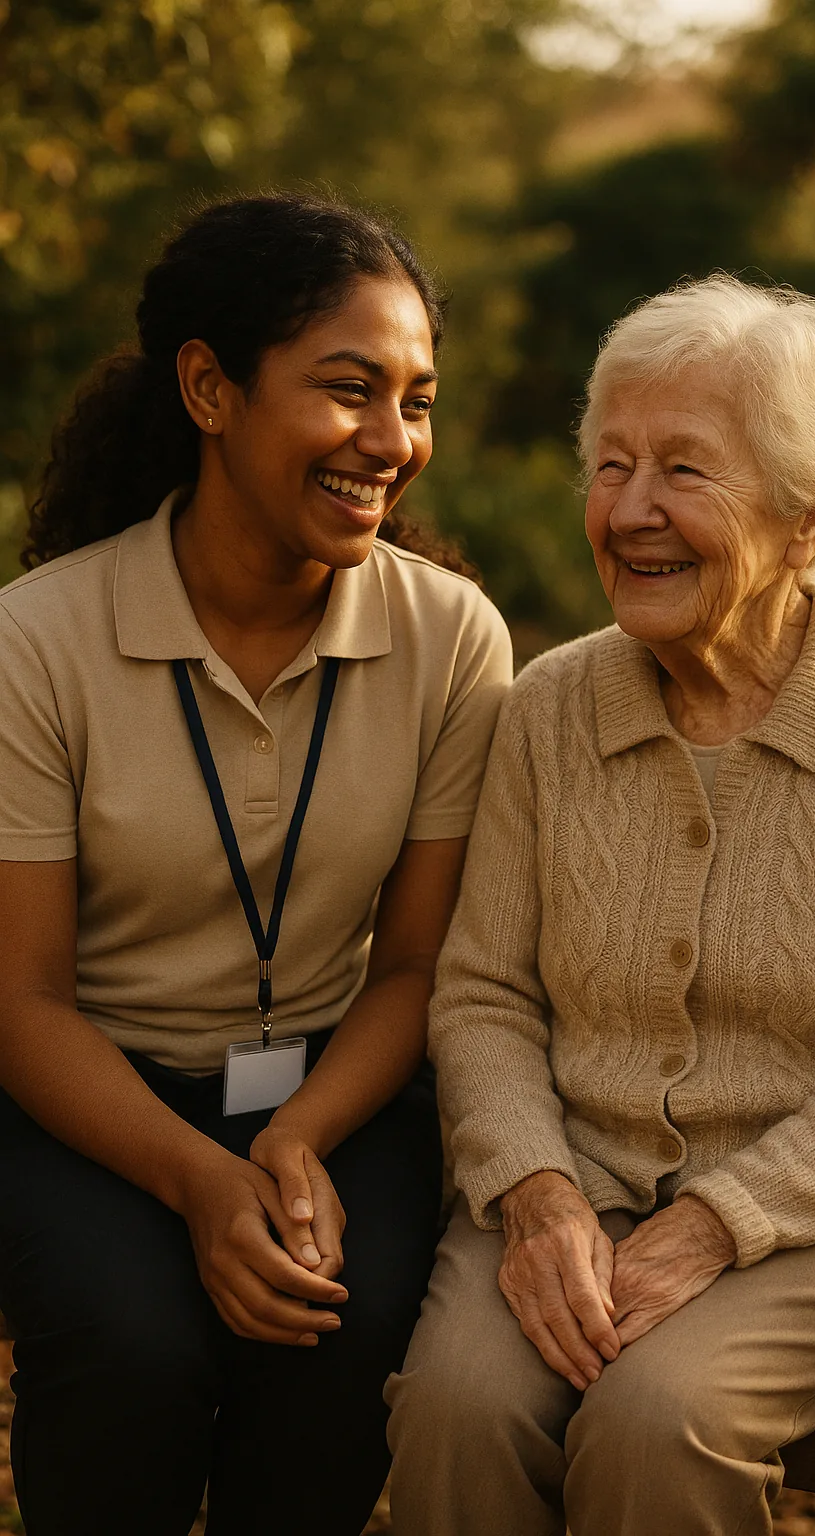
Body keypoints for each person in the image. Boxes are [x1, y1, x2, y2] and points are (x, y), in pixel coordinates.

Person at [385, 274, 815, 1536]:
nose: (629, 512)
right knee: (456, 1404)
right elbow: (484, 994)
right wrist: (538, 1194)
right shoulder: (550, 707)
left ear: (809, 515)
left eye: (683, 470)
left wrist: (714, 1228)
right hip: (577, 1179)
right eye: (610, 466)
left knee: (654, 1419)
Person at [0, 192, 511, 1536]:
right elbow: (23, 1000)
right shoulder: (35, 644)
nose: (392, 443)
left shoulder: (452, 639)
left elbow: (414, 961)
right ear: (210, 389)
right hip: (94, 1101)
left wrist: (293, 1140)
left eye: (416, 399)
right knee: (133, 1352)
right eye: (349, 391)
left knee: (336, 1333)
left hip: (340, 1094)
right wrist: (199, 1177)